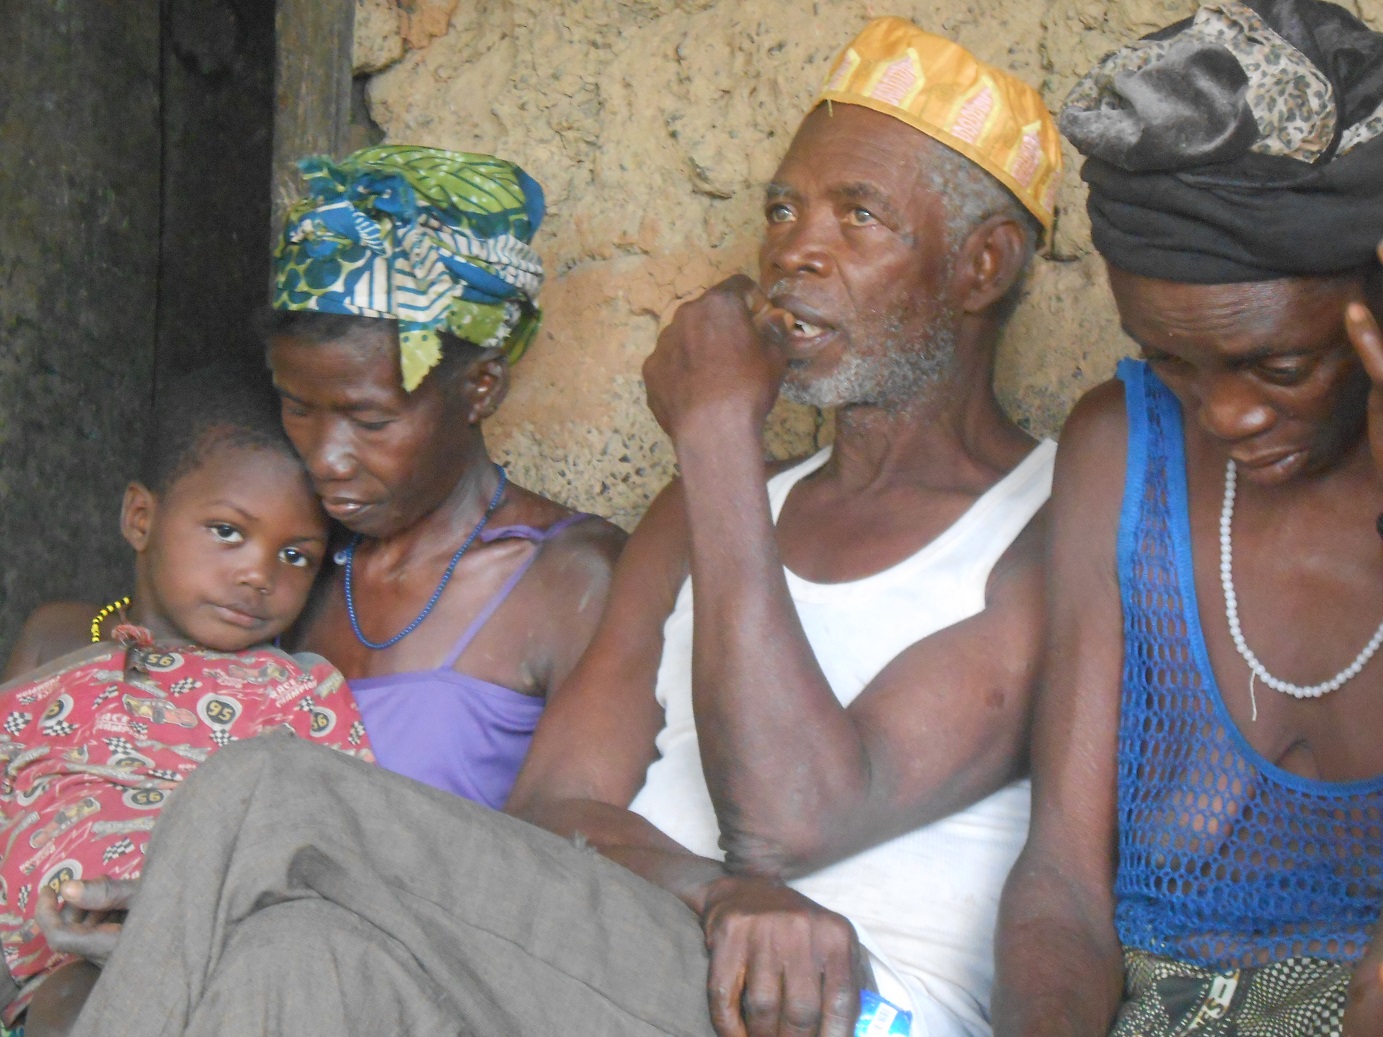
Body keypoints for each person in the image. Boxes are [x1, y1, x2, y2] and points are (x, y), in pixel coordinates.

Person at [53, 19, 1062, 1037]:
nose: (795, 249)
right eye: (782, 209)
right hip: (635, 956)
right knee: (296, 954)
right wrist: (709, 891)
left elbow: (789, 817)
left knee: (270, 788)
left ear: (982, 265)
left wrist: (715, 435)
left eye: (859, 216)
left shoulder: (1049, 518)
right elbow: (556, 809)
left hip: (843, 1003)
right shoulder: (698, 511)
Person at [992, 2, 1383, 1034]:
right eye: (1170, 359)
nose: (1222, 414)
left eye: (1280, 366)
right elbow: (1061, 884)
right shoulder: (1125, 452)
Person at [0, 367, 375, 1035]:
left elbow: (338, 843)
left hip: (209, 952)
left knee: (91, 1002)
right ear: (141, 518)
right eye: (228, 531)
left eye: (295, 555)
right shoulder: (58, 636)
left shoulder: (299, 687)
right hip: (41, 954)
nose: (258, 574)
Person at [258, 145, 626, 805]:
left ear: (481, 387)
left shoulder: (569, 579)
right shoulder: (287, 558)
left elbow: (584, 841)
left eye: (370, 421)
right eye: (297, 409)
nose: (325, 458)